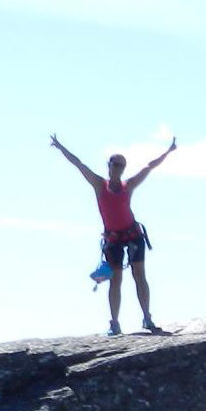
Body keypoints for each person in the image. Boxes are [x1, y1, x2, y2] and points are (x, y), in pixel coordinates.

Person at [51, 133, 177, 335]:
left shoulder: (129, 185)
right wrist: (60, 147)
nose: (117, 168)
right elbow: (79, 164)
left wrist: (168, 152)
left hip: (133, 235)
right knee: (115, 280)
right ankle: (115, 323)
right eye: (115, 164)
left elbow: (149, 166)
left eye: (121, 165)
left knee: (139, 276)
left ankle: (147, 318)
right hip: (113, 239)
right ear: (108, 166)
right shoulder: (99, 185)